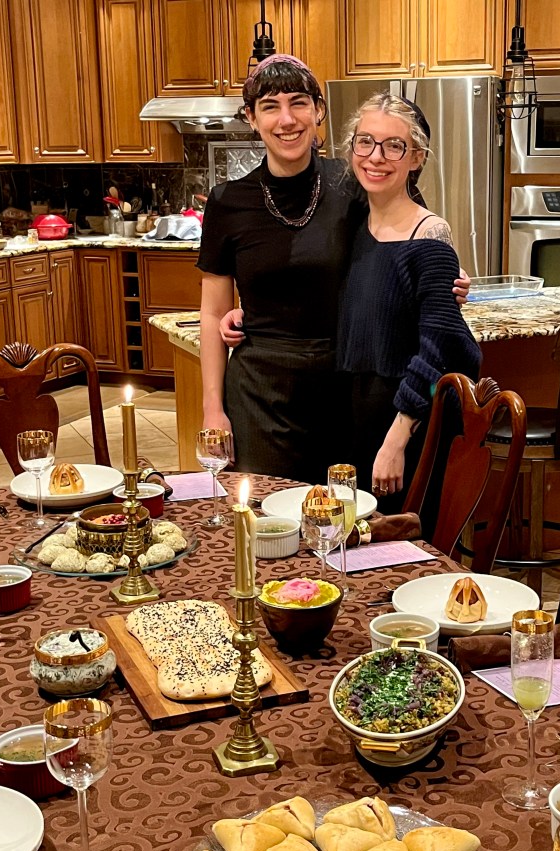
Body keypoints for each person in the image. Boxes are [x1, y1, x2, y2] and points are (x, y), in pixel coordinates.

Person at [197, 55, 468, 483]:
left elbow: (404, 244)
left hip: (341, 388)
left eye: (298, 102)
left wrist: (443, 281)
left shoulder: (354, 182)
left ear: (318, 111)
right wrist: (213, 409)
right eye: (270, 106)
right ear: (251, 117)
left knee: (338, 513)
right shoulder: (227, 202)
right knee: (267, 513)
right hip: (258, 391)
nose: (287, 119)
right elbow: (212, 312)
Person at [336, 93, 481, 510]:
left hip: (407, 422)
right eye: (365, 141)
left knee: (405, 539)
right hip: (357, 414)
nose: (375, 157)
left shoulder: (429, 235)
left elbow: (439, 348)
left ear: (416, 158)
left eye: (394, 146)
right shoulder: (352, 227)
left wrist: (397, 440)